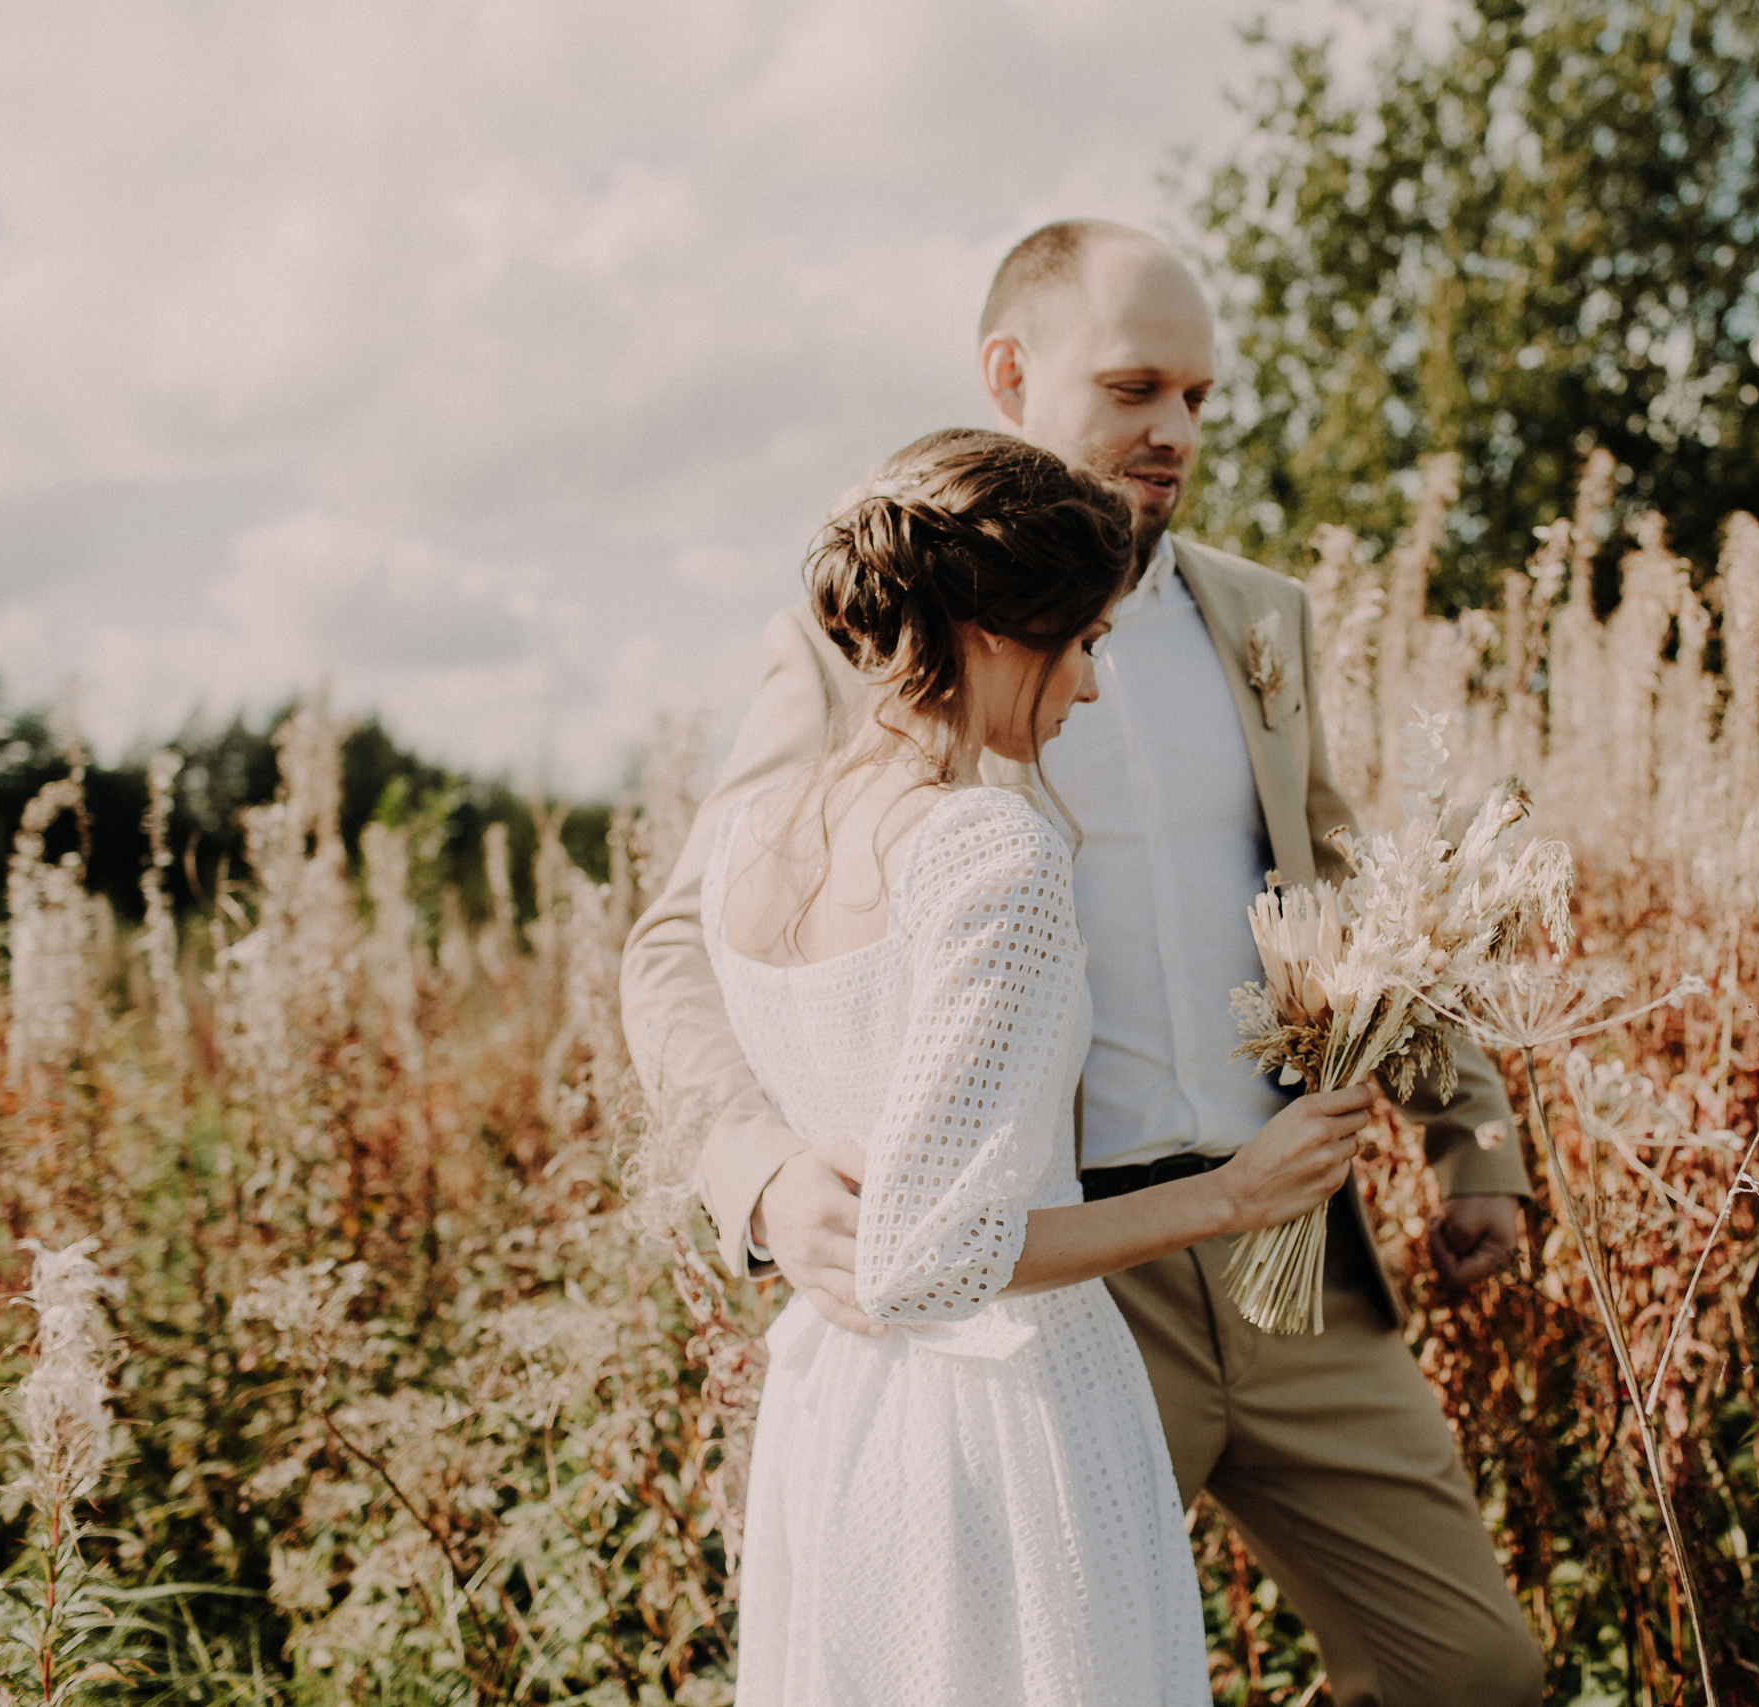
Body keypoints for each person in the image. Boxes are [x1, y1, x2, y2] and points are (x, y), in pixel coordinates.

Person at [625, 222, 1547, 1706]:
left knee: (1475, 1674)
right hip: (1049, 1281)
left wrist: (1472, 1135)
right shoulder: (872, 629)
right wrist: (759, 1174)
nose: (1174, 430)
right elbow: (684, 933)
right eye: (1135, 387)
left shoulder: (1261, 617)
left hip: (1290, 1251)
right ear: (1010, 373)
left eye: (1197, 395)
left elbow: (1371, 887)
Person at [700, 426, 1375, 1706]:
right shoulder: (986, 855)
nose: (1094, 688)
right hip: (1004, 1419)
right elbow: (933, 1258)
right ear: (999, 636)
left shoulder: (749, 835)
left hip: (834, 1403)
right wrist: (1239, 1192)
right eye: (1088, 644)